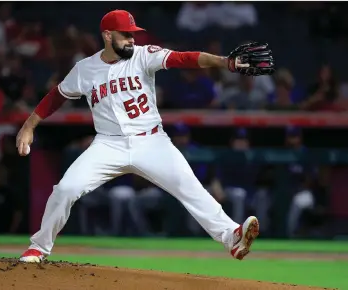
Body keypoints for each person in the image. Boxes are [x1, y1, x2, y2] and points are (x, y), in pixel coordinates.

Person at [16, 10, 274, 263]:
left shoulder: (143, 55)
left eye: (133, 33)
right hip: (108, 144)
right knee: (65, 189)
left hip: (151, 141)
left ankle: (232, 238)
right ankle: (38, 248)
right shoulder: (85, 69)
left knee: (189, 186)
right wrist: (29, 125)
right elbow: (57, 96)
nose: (131, 39)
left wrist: (224, 62)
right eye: (125, 34)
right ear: (107, 35)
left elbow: (184, 59)